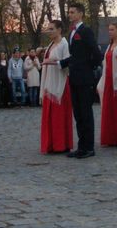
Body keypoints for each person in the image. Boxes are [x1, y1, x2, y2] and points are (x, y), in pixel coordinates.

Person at [51, 3, 102, 159]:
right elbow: (75, 56)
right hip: (74, 78)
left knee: (86, 113)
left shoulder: (85, 31)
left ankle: (89, 148)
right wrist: (61, 63)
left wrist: (88, 68)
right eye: (69, 12)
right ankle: (81, 146)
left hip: (84, 79)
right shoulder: (73, 33)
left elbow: (96, 54)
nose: (70, 15)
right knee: (78, 114)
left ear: (80, 14)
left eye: (73, 12)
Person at [40, 20, 73, 154]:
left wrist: (53, 62)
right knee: (49, 115)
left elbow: (68, 62)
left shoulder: (64, 44)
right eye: (48, 29)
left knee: (59, 115)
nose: (49, 31)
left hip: (60, 84)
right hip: (49, 82)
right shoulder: (51, 44)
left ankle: (61, 144)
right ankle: (51, 143)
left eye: (51, 29)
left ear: (59, 30)